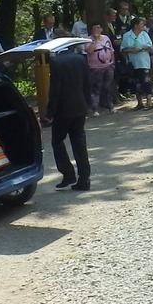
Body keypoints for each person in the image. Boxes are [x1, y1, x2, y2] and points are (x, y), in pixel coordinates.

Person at [46, 47, 91, 191]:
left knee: (57, 141)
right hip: (80, 106)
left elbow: (55, 89)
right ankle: (84, 178)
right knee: (79, 142)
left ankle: (68, 173)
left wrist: (50, 112)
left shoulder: (55, 62)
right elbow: (87, 83)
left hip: (63, 109)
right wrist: (87, 103)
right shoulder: (80, 58)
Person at [121, 16, 153, 110]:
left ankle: (149, 102)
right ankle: (140, 103)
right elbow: (123, 49)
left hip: (144, 62)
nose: (143, 25)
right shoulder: (127, 35)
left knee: (146, 81)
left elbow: (151, 47)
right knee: (135, 82)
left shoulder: (144, 34)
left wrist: (143, 48)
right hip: (133, 62)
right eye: (141, 24)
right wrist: (131, 49)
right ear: (136, 25)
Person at [85, 23, 115, 116]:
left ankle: (110, 105)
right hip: (95, 68)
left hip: (108, 66)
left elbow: (111, 50)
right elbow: (89, 51)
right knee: (96, 88)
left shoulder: (106, 38)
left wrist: (113, 63)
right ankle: (95, 109)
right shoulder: (88, 40)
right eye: (95, 28)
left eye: (98, 28)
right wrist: (95, 40)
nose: (97, 30)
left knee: (108, 87)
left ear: (101, 29)